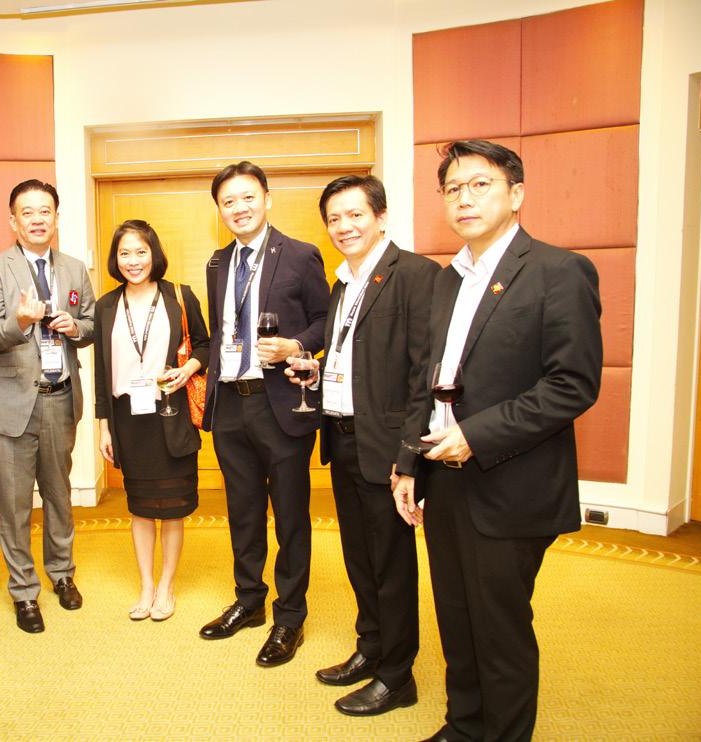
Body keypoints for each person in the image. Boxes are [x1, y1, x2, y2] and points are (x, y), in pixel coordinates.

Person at [393, 140, 602, 742]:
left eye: (480, 185)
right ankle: (464, 725)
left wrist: (475, 436)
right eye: (453, 189)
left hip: (512, 480)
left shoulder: (558, 271)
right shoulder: (448, 280)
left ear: (516, 194)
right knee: (457, 619)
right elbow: (428, 379)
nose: (464, 199)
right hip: (444, 477)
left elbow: (572, 385)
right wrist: (408, 463)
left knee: (499, 628)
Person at [287, 175, 438, 715]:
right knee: (360, 558)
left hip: (387, 448)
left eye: (355, 214)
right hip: (343, 438)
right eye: (334, 218)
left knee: (391, 567)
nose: (344, 226)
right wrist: (317, 372)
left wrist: (409, 458)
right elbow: (355, 359)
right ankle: (371, 648)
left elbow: (424, 376)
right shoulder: (343, 283)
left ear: (381, 216)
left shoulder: (416, 275)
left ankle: (397, 676)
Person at [198, 161, 329, 667]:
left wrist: (296, 345)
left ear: (267, 199)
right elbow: (220, 331)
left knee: (290, 516)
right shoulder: (217, 263)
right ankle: (249, 600)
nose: (239, 208)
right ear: (219, 210)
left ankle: (289, 617)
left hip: (281, 404)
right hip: (232, 402)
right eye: (228, 201)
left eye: (248, 197)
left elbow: (325, 319)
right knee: (243, 510)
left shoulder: (299, 254)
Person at [0, 179, 96, 634]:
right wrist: (20, 321)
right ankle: (24, 591)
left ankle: (62, 573)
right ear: (13, 221)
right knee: (15, 503)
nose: (38, 219)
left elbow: (92, 323)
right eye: (28, 212)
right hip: (11, 406)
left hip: (60, 398)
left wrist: (75, 327)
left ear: (56, 218)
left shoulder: (74, 268)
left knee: (59, 495)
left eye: (46, 211)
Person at [94, 220, 209, 622]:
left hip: (171, 414)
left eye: (140, 252)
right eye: (124, 253)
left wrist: (188, 368)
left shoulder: (180, 295)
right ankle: (146, 585)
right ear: (116, 259)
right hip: (129, 419)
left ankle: (166, 585)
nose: (133, 261)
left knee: (173, 507)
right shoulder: (106, 306)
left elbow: (206, 344)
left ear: (154, 254)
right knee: (141, 508)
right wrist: (104, 427)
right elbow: (101, 372)